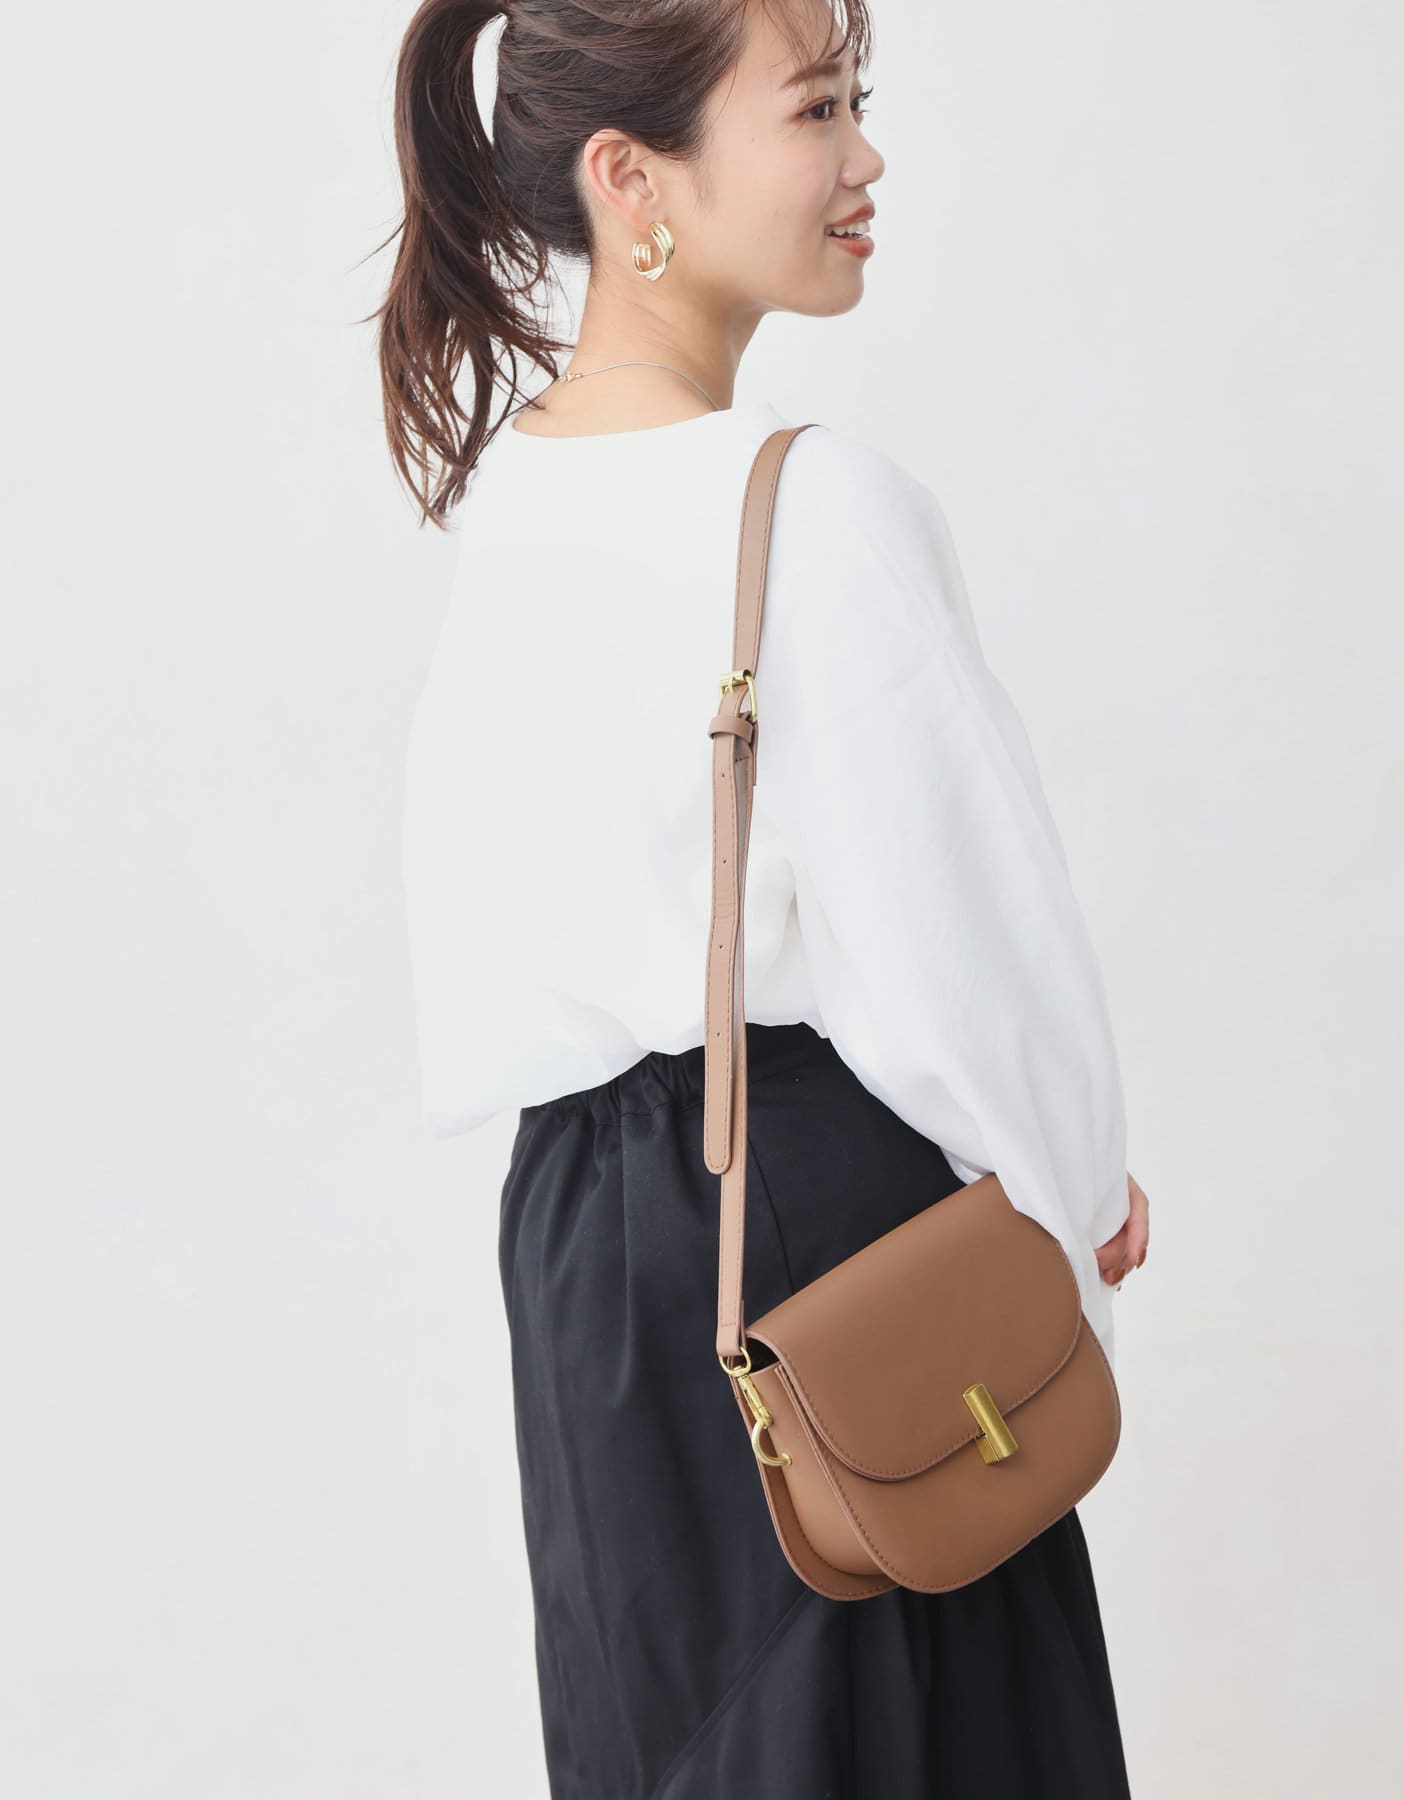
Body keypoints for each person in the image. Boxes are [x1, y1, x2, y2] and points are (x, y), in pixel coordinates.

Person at [377, 0, 1151, 1793]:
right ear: (631, 177)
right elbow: (969, 955)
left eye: (858, 100)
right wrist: (1073, 1203)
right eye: (815, 110)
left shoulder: (517, 497)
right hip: (816, 1235)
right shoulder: (813, 506)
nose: (866, 156)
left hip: (585, 1267)